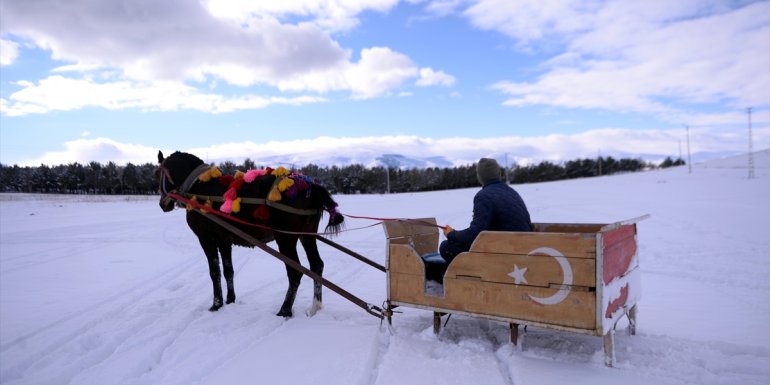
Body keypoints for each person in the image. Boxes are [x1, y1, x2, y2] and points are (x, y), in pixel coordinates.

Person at [424, 158, 533, 283]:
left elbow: (475, 234)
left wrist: (451, 234)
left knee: (446, 247)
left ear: (480, 177)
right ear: (499, 174)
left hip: (501, 253)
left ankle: (465, 280)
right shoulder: (511, 192)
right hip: (519, 248)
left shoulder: (484, 196)